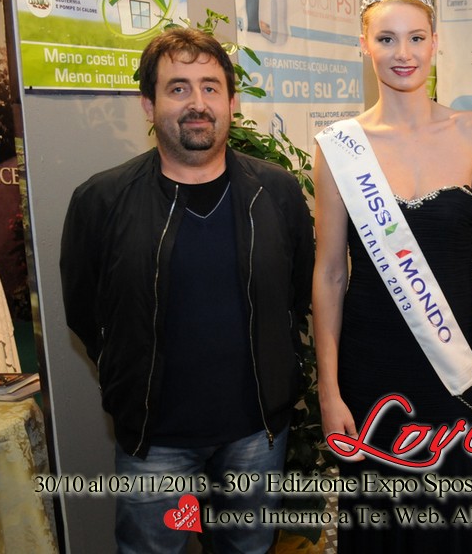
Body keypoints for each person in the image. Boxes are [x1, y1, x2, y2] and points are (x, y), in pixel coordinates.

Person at [60, 28, 314, 554]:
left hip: (256, 434)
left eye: (210, 87)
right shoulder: (101, 200)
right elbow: (85, 311)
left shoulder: (277, 192)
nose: (197, 103)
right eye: (178, 88)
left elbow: (296, 295)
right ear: (148, 105)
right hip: (155, 439)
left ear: (231, 102)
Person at [312, 0, 472, 552]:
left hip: (457, 363)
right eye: (387, 39)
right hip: (370, 368)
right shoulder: (338, 146)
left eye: (416, 38)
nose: (403, 53)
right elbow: (330, 273)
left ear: (435, 43)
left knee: (456, 519)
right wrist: (329, 389)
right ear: (364, 45)